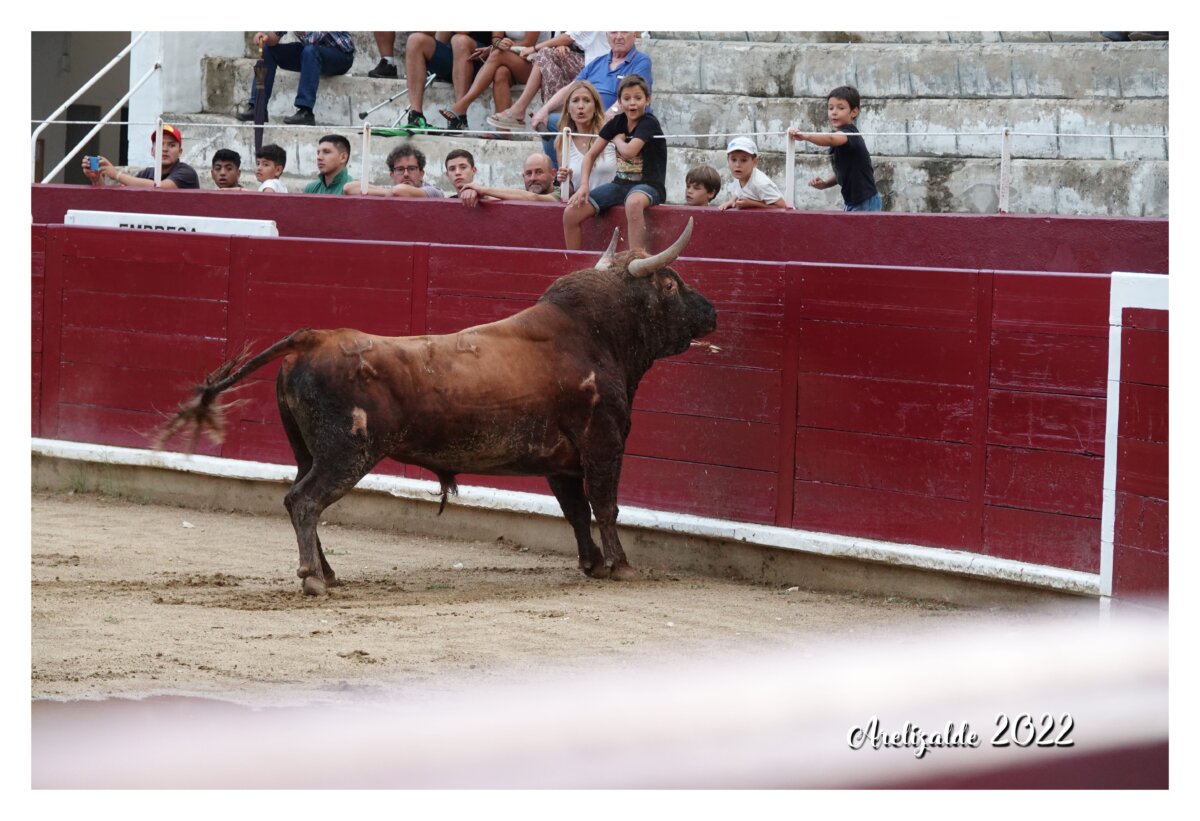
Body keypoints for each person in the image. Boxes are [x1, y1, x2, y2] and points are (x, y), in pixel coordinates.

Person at [564, 74, 664, 252]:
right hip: (620, 184)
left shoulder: (649, 123)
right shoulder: (617, 123)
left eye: (638, 98)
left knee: (633, 203)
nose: (632, 103)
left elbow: (629, 151)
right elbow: (590, 155)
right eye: (626, 98)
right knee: (571, 213)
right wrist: (584, 186)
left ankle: (635, 260)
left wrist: (617, 140)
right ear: (619, 101)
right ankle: (575, 263)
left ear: (647, 100)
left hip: (649, 185)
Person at [530, 32, 651, 166]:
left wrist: (605, 119)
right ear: (606, 35)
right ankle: (560, 177)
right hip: (590, 120)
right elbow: (571, 88)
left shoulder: (641, 61)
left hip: (618, 123)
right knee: (549, 122)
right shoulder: (598, 62)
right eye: (613, 32)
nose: (618, 36)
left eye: (624, 31)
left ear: (634, 35)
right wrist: (544, 110)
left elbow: (632, 96)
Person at [789, 85, 881, 212]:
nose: (834, 112)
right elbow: (843, 172)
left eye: (841, 108)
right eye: (830, 108)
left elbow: (831, 139)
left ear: (854, 112)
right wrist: (826, 184)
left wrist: (806, 136)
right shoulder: (840, 139)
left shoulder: (849, 133)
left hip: (865, 201)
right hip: (851, 201)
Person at [486, 32, 605, 130]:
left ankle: (534, 113)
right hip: (582, 62)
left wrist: (534, 48)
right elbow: (563, 39)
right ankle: (551, 118)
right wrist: (560, 46)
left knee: (544, 53)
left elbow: (569, 37)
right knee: (546, 57)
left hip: (599, 66)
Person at [235, 32, 355, 126]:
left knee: (310, 51)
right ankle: (258, 107)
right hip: (310, 54)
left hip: (340, 56)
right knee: (267, 50)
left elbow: (313, 39)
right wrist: (265, 37)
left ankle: (305, 111)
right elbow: (274, 38)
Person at [436, 32, 549, 132]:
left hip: (538, 62)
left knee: (498, 54)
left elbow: (529, 42)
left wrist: (494, 48)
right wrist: (497, 44)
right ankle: (503, 132)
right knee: (500, 72)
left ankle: (462, 105)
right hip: (516, 57)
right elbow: (496, 39)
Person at [402, 32, 493, 133]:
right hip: (454, 54)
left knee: (460, 40)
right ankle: (416, 116)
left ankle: (459, 116)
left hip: (484, 57)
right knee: (415, 39)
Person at [80, 123, 199, 189]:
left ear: (180, 151)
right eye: (160, 144)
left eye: (171, 145)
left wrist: (117, 174)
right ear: (152, 151)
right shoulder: (146, 174)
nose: (164, 149)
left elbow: (160, 188)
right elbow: (115, 200)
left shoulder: (186, 172)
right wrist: (96, 179)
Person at [553, 81, 616, 196]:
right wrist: (565, 181)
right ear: (567, 108)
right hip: (581, 206)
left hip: (612, 206)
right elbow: (568, 192)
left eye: (586, 100)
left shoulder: (612, 136)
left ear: (596, 107)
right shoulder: (562, 142)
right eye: (575, 100)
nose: (581, 106)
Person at [342, 144, 445, 198]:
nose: (406, 174)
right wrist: (389, 192)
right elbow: (349, 188)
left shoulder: (434, 192)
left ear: (421, 174)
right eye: (400, 169)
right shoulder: (390, 189)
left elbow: (399, 191)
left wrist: (384, 193)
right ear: (392, 175)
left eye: (411, 169)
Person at [719, 137, 787, 210]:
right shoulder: (740, 175)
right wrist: (732, 201)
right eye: (733, 160)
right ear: (728, 160)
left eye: (744, 160)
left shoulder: (760, 184)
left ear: (754, 162)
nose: (737, 165)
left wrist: (752, 203)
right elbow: (739, 192)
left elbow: (782, 206)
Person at [458, 154, 560, 203]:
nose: (533, 178)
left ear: (553, 174)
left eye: (539, 172)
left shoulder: (561, 193)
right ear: (523, 177)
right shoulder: (519, 196)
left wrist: (483, 189)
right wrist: (473, 192)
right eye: (528, 173)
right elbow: (491, 199)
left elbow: (534, 198)